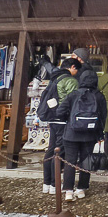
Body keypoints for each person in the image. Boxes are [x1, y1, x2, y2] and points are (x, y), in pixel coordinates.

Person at [56, 69, 107, 201]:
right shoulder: (99, 96)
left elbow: (60, 112)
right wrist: (99, 134)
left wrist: (69, 119)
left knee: (70, 161)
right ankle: (81, 189)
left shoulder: (73, 95)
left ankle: (68, 191)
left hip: (71, 133)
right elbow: (103, 117)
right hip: (90, 134)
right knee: (86, 161)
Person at [41, 58, 80, 195]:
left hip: (52, 117)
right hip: (62, 119)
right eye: (77, 70)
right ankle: (54, 184)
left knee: (51, 149)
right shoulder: (70, 80)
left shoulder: (55, 78)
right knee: (59, 151)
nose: (77, 73)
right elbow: (72, 101)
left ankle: (46, 183)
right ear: (73, 67)